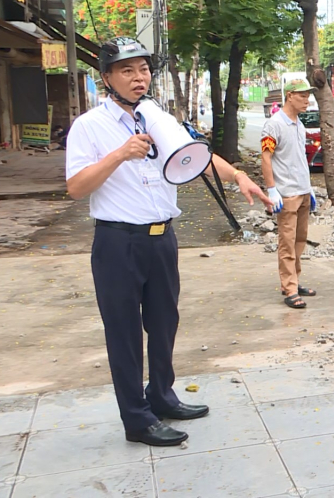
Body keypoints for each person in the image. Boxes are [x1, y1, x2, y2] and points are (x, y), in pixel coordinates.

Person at [65, 37, 272, 446]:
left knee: (164, 324)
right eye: (127, 70)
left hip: (162, 239)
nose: (138, 77)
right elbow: (75, 187)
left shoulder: (156, 114)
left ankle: (160, 395)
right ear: (106, 77)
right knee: (123, 333)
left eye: (143, 69)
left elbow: (196, 154)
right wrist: (120, 154)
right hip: (117, 243)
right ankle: (137, 420)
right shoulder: (89, 126)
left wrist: (239, 177)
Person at [261, 79, 317, 309]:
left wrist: (309, 189)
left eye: (308, 96)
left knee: (300, 240)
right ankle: (289, 288)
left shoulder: (299, 124)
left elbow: (299, 158)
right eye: (303, 96)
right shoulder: (274, 125)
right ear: (290, 95)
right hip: (286, 194)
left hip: (302, 191)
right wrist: (272, 190)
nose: (307, 100)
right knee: (287, 242)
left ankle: (295, 279)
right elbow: (266, 157)